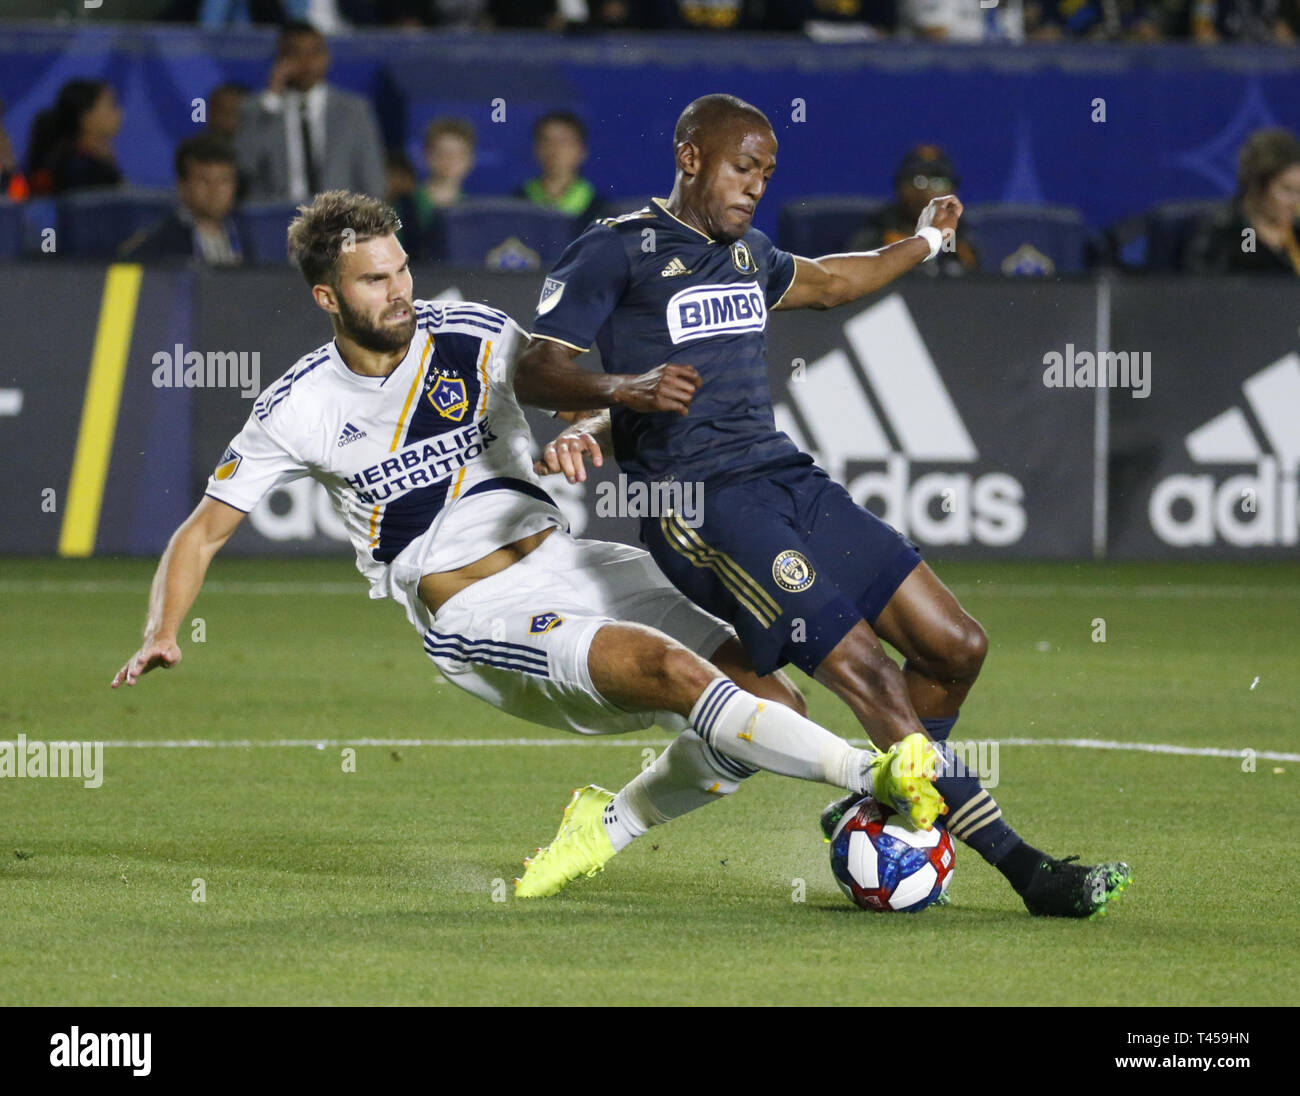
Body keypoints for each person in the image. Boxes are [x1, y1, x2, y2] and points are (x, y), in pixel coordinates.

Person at [109, 189, 943, 901]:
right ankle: (873, 776)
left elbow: (589, 403)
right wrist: (162, 629)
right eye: (375, 280)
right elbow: (202, 530)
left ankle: (606, 824)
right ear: (329, 298)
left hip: (569, 559)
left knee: (771, 705)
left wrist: (590, 434)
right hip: (473, 606)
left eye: (402, 269)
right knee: (672, 673)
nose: (400, 291)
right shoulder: (298, 407)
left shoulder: (472, 333)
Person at [515, 93, 1131, 918]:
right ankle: (1026, 870)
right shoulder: (616, 250)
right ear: (691, 156)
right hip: (700, 505)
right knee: (868, 676)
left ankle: (875, 812)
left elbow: (840, 281)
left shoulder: (749, 255)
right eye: (743, 168)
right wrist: (618, 392)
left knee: (955, 646)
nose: (755, 188)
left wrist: (926, 240)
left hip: (785, 477)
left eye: (767, 174)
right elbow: (535, 368)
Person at [234, 21, 385, 203]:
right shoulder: (257, 109)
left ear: (327, 58)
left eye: (314, 53)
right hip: (276, 219)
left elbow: (372, 180)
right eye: (295, 54)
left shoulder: (354, 111)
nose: (306, 62)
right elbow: (244, 169)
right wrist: (272, 100)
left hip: (339, 219)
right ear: (280, 60)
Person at [847, 144, 978, 276]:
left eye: (939, 183)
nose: (927, 192)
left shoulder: (963, 240)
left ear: (954, 191)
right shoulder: (873, 238)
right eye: (919, 181)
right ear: (900, 186)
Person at [1186, 128, 1300, 277]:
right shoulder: (1225, 235)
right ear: (1256, 187)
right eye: (1287, 190)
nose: (1296, 201)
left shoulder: (1296, 232)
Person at [119, 135, 244, 265]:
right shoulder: (158, 246)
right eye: (204, 181)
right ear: (182, 186)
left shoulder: (250, 237)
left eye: (224, 180)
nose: (215, 190)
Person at [25, 79, 124, 197]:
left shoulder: (90, 165)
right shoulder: (82, 171)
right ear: (85, 117)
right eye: (111, 105)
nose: (120, 112)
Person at [514, 111, 605, 223]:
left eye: (563, 141)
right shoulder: (515, 204)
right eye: (546, 140)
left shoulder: (602, 210)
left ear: (582, 151)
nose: (554, 149)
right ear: (535, 149)